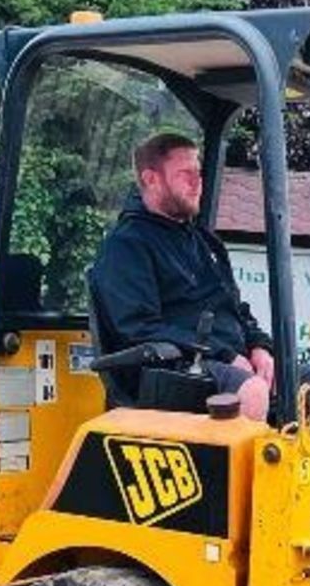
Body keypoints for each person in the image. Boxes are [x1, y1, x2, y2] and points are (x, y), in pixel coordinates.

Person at [89, 132, 275, 420]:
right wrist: (224, 355)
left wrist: (260, 346)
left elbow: (235, 309)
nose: (197, 183)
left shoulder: (205, 242)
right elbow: (139, 328)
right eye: (185, 174)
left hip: (224, 363)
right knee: (251, 391)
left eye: (198, 173)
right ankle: (237, 466)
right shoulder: (127, 245)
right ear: (151, 179)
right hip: (168, 371)